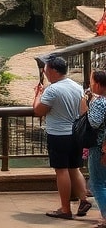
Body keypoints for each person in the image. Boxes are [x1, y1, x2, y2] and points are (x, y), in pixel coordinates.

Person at [33, 54, 91, 219]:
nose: (44, 71)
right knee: (74, 168)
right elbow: (83, 110)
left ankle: (65, 209)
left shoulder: (52, 89)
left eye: (45, 69)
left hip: (59, 134)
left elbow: (38, 111)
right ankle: (83, 199)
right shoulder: (76, 86)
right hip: (76, 134)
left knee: (62, 170)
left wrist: (37, 94)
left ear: (52, 70)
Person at [82, 70, 106, 225]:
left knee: (96, 183)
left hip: (99, 147)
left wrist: (86, 106)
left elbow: (94, 123)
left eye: (91, 82)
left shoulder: (99, 102)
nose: (90, 85)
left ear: (97, 84)